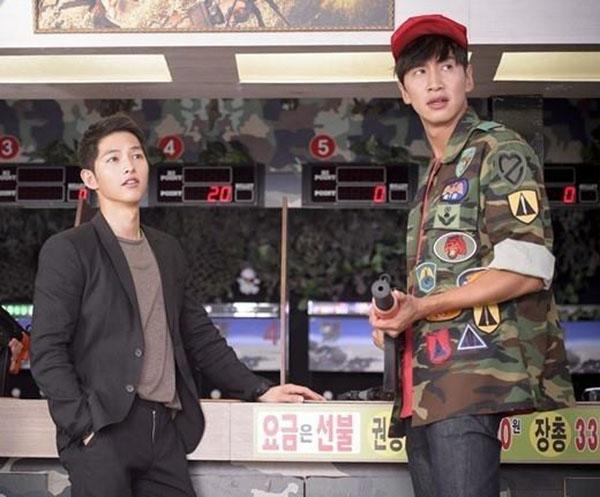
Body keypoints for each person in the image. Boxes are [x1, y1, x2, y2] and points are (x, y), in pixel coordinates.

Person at [30, 113, 324, 497]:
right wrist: (83, 425)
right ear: (90, 178)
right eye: (113, 159)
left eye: (136, 155)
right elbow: (47, 350)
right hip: (102, 430)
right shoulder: (69, 249)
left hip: (163, 430)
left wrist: (259, 389)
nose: (129, 166)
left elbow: (199, 336)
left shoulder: (166, 250)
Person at [370, 14, 575, 497]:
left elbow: (527, 268)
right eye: (419, 72)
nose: (434, 82)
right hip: (423, 390)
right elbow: (437, 285)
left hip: (471, 384)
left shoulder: (498, 150)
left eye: (446, 66)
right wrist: (397, 318)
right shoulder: (433, 176)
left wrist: (423, 306)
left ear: (469, 76)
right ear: (403, 90)